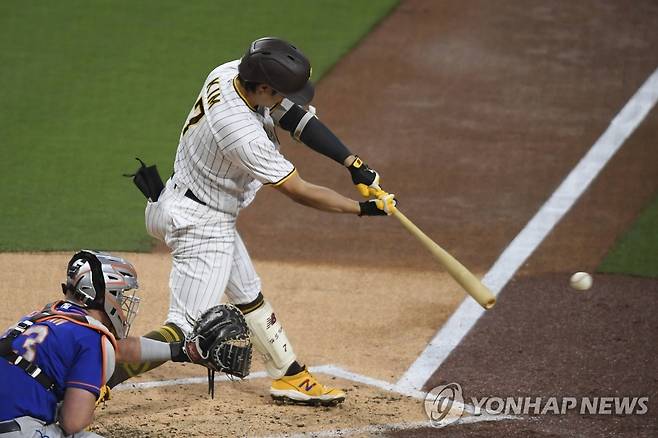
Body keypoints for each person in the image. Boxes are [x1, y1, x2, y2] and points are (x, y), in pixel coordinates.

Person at [111, 36, 397, 406]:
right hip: (200, 225)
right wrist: (360, 208)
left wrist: (353, 164)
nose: (285, 98)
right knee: (184, 330)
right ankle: (98, 378)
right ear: (263, 86)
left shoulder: (230, 73)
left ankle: (289, 375)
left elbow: (293, 117)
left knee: (247, 293)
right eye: (279, 92)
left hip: (193, 205)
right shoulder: (241, 133)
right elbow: (299, 190)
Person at [0, 250, 193, 437]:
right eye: (120, 294)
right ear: (104, 295)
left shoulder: (43, 317)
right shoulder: (90, 338)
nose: (123, 303)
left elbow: (118, 349)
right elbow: (72, 422)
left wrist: (180, 351)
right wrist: (91, 396)